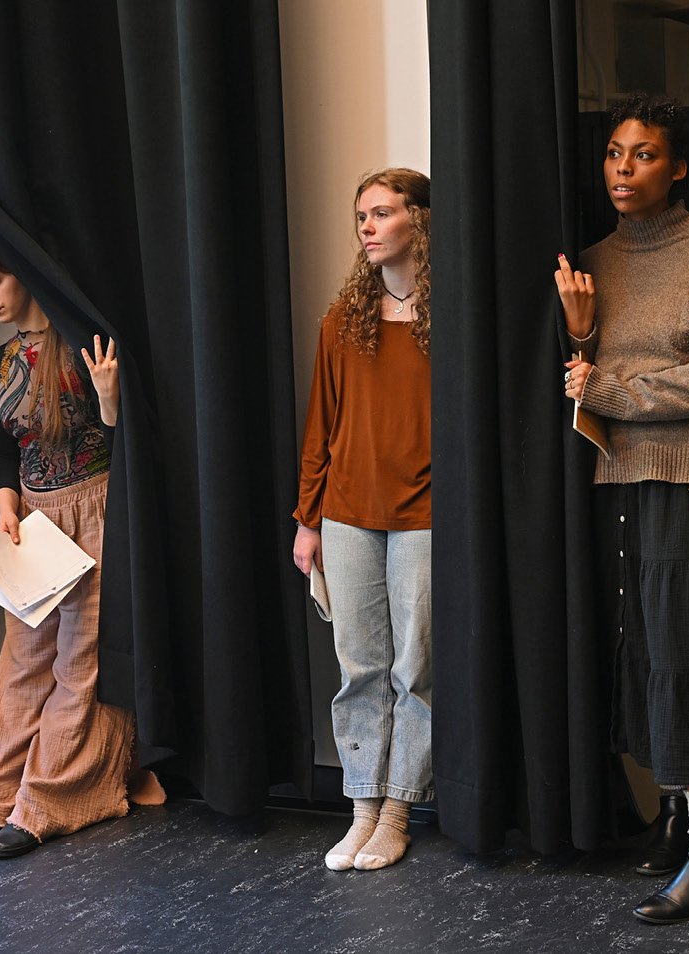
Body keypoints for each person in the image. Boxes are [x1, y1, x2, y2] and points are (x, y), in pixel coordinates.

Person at [554, 93, 689, 923]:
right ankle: (682, 820)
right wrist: (581, 336)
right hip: (615, 478)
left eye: (643, 154)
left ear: (677, 166)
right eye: (614, 153)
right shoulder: (596, 260)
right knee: (645, 651)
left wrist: (607, 383)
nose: (623, 168)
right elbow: (585, 385)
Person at [0, 243, 164, 860]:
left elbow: (127, 438)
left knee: (80, 662)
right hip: (37, 522)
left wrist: (108, 396)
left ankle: (47, 802)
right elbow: (2, 448)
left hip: (95, 508)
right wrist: (6, 503)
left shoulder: (81, 347)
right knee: (22, 662)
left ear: (26, 275)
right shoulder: (0, 361)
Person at [293, 168, 433, 872]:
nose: (368, 227)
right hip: (347, 511)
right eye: (361, 217)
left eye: (382, 213)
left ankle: (399, 810)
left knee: (414, 668)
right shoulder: (342, 320)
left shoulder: (450, 319)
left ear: (421, 220)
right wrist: (307, 519)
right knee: (359, 667)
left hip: (424, 515)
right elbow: (320, 424)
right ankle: (361, 809)